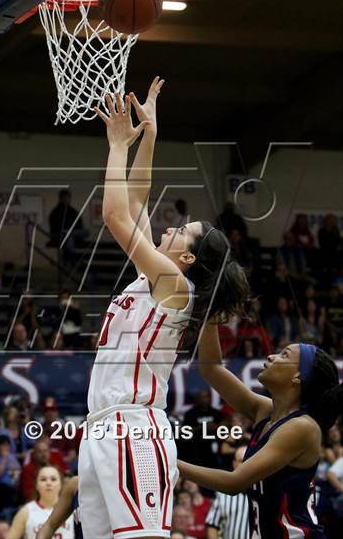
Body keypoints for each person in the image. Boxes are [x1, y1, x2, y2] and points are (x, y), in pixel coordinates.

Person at [79, 79, 249, 539]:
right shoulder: (151, 278)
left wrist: (117, 144)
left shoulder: (175, 287)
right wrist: (148, 136)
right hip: (100, 428)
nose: (171, 228)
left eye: (182, 231)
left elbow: (115, 215)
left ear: (188, 258)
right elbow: (134, 201)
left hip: (135, 426)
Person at [178, 323, 343, 538]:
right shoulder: (266, 411)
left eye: (284, 355)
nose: (271, 356)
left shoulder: (303, 427)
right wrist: (212, 319)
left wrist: (168, 461)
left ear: (297, 377)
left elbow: (233, 482)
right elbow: (211, 369)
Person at [8, 466, 74, 539]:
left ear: (61, 484)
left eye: (53, 479)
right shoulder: (25, 512)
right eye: (43, 479)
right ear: (36, 485)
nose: (48, 483)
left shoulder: (71, 509)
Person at [205, 446, 250, 539]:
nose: (246, 464)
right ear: (234, 464)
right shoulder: (222, 494)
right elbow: (212, 525)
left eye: (249, 460)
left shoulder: (266, 492)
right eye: (242, 461)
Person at [19, 437, 69, 503]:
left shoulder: (54, 467)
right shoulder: (27, 470)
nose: (43, 454)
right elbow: (29, 499)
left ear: (50, 452)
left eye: (46, 451)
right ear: (34, 454)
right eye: (40, 452)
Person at [48, 190, 86, 259]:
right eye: (65, 198)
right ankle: (72, 260)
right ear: (61, 199)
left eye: (68, 198)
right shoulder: (55, 212)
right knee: (69, 238)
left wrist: (71, 230)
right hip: (60, 234)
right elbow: (54, 226)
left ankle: (69, 233)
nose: (67, 200)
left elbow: (79, 223)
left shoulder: (73, 211)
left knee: (86, 232)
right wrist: (63, 230)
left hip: (72, 232)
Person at [0, 435, 21, 511]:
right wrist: (4, 459)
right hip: (2, 490)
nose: (4, 448)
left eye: (6, 445)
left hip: (16, 487)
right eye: (1, 446)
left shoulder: (14, 458)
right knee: (3, 489)